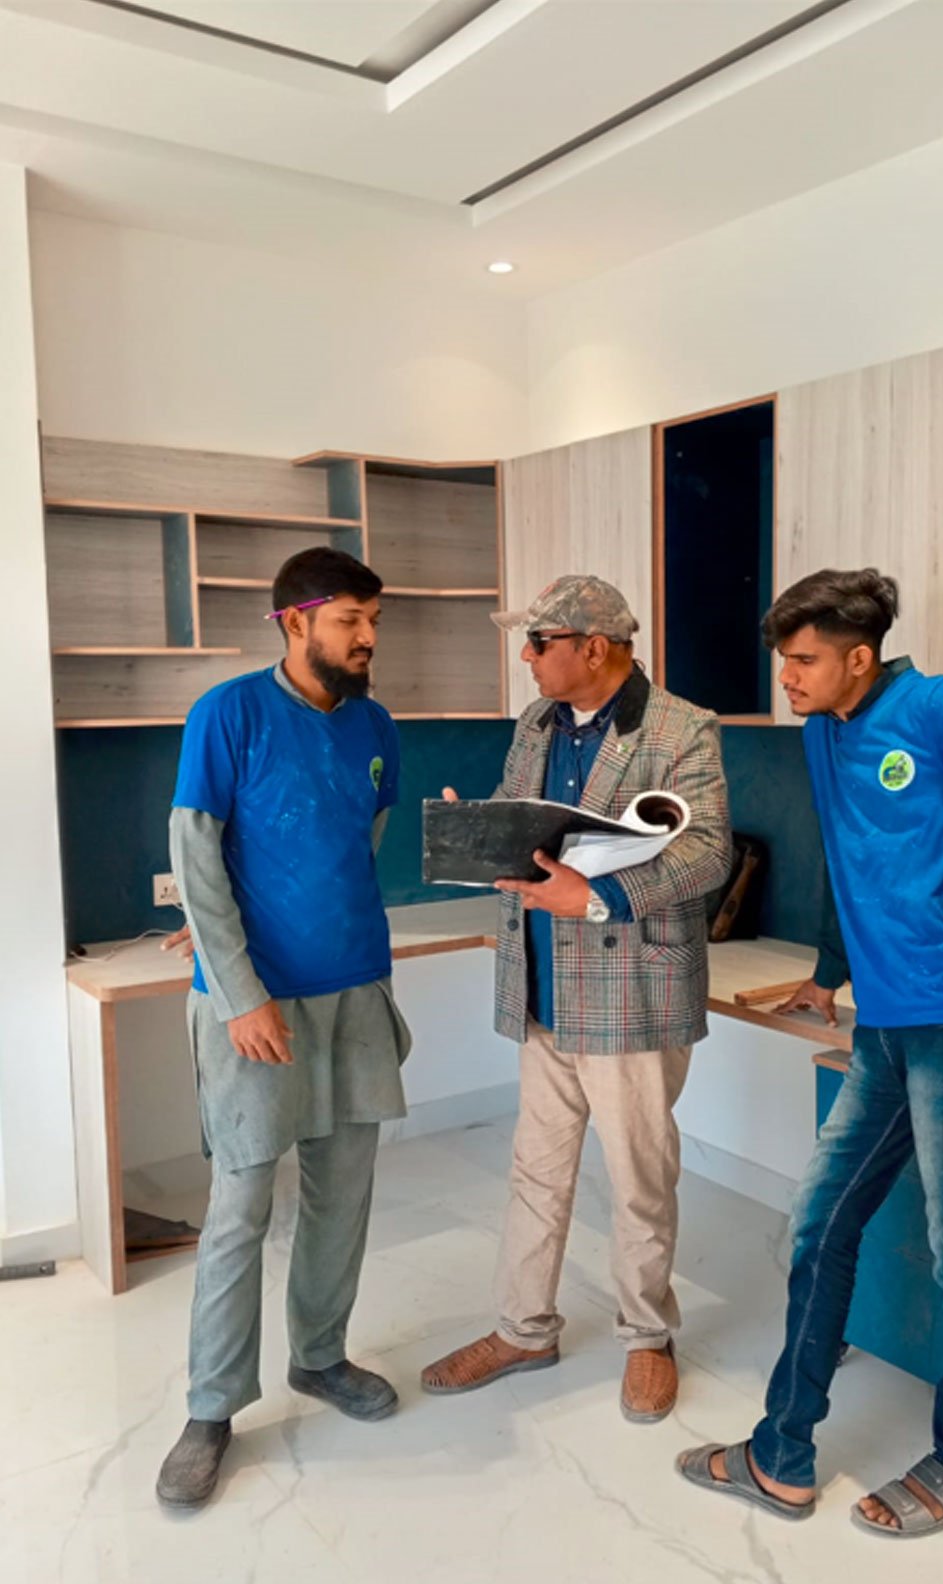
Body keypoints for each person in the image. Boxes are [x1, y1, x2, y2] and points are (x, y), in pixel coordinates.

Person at [677, 567, 943, 1538]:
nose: (787, 678)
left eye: (803, 660)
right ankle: (781, 1454)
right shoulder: (824, 732)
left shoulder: (935, 706)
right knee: (820, 1224)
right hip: (884, 1030)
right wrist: (828, 972)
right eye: (782, 661)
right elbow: (849, 857)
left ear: (859, 657)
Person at [420, 575, 732, 1423]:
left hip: (632, 988)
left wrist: (599, 896)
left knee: (638, 1180)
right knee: (536, 1170)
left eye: (539, 642)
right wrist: (479, 830)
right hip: (543, 983)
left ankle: (647, 1337)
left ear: (594, 648)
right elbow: (529, 822)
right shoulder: (535, 723)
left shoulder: (681, 728)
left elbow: (708, 853)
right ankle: (523, 1330)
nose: (526, 657)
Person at [155, 547, 411, 1511]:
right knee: (240, 1206)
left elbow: (360, 840)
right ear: (295, 622)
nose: (368, 636)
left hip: (356, 986)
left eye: (373, 619)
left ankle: (320, 1356)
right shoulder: (228, 713)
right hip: (255, 1000)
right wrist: (239, 991)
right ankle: (211, 1408)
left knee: (344, 1193)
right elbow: (197, 851)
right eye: (350, 620)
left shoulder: (376, 725)